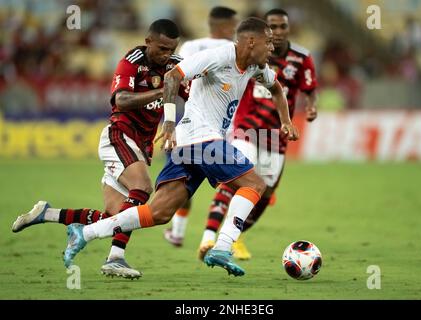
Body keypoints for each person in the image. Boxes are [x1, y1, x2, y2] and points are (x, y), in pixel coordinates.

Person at [61, 17, 299, 277]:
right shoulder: (218, 57)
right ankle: (222, 246)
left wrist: (285, 121)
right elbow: (174, 76)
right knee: (254, 184)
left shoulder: (255, 66)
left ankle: (85, 232)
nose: (272, 48)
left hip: (190, 144)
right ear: (251, 41)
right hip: (199, 136)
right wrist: (170, 122)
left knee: (159, 212)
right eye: (268, 42)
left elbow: (276, 88)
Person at [11, 19, 188, 279]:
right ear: (148, 41)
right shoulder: (132, 61)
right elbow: (122, 100)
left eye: (170, 49)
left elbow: (195, 91)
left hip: (140, 146)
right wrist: (163, 91)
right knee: (143, 188)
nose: (165, 55)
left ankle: (46, 213)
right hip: (119, 135)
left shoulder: (175, 66)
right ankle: (115, 258)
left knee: (115, 216)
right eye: (161, 48)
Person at [168, 8, 318, 260]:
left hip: (274, 137)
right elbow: (182, 73)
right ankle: (209, 238)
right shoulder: (240, 54)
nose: (276, 35)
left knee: (265, 192)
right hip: (246, 129)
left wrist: (292, 118)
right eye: (271, 31)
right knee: (236, 179)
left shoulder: (299, 58)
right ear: (257, 37)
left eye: (281, 28)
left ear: (288, 29)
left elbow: (296, 89)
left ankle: (233, 237)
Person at [163, 6, 238, 247]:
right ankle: (224, 238)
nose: (236, 29)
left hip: (186, 122)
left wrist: (169, 120)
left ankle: (179, 230)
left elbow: (175, 84)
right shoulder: (235, 52)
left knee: (182, 177)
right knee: (236, 181)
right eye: (234, 25)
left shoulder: (191, 47)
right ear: (226, 26)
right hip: (220, 125)